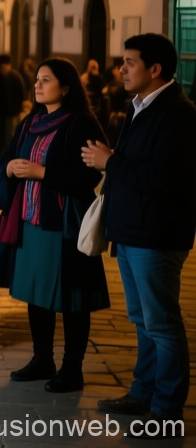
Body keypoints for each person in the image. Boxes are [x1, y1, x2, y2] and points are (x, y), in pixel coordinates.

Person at [82, 34, 196, 431]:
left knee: (162, 322)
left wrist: (110, 162)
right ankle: (142, 392)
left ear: (155, 69)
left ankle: (166, 409)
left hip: (157, 234)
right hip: (131, 230)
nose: (121, 69)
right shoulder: (139, 107)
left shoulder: (178, 113)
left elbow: (162, 178)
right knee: (143, 320)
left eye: (130, 62)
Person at [0, 58, 109, 393]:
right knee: (35, 292)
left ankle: (72, 367)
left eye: (46, 80)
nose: (37, 85)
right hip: (29, 219)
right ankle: (43, 358)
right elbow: (7, 155)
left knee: (71, 295)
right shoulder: (32, 120)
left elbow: (90, 174)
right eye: (37, 79)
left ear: (65, 87)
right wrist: (9, 166)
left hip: (63, 222)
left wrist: (43, 174)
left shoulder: (81, 123)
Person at [0, 54, 27, 163]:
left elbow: (22, 93)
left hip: (11, 112)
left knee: (9, 136)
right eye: (3, 64)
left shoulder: (15, 77)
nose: (4, 66)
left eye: (6, 64)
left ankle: (7, 157)